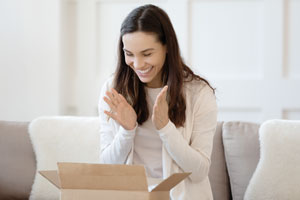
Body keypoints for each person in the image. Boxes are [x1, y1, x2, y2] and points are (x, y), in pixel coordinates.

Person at [98, 4, 217, 200]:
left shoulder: (199, 93)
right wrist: (127, 131)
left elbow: (199, 171)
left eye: (147, 54)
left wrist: (165, 128)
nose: (137, 64)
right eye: (129, 54)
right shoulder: (114, 90)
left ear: (167, 47)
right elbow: (108, 168)